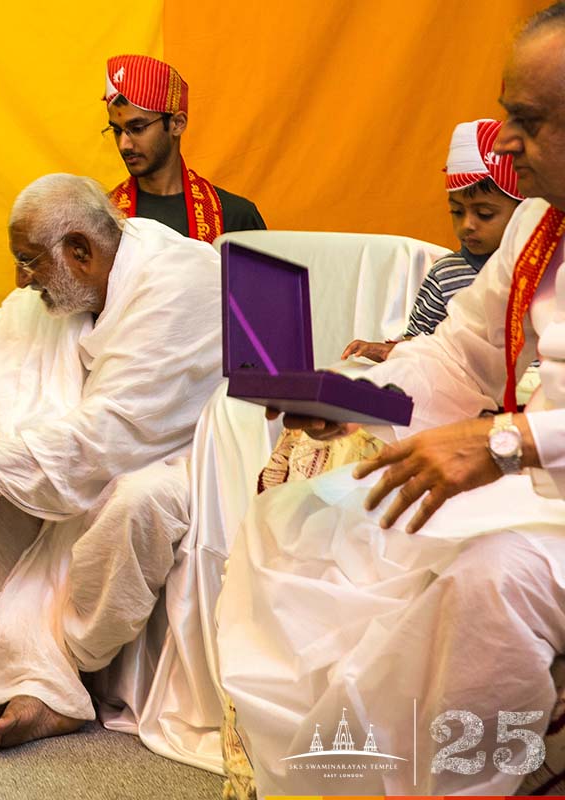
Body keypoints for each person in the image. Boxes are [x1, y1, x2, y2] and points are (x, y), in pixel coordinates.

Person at [217, 5, 565, 795]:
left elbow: (501, 432)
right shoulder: (536, 225)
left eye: (529, 121)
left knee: (491, 577)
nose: (505, 142)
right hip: (541, 492)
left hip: (537, 497)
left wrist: (504, 443)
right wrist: (350, 396)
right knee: (326, 515)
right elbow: (462, 351)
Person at [0, 173, 224, 750]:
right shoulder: (81, 279)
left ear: (80, 251)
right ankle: (39, 679)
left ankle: (58, 677)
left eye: (29, 262)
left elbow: (109, 434)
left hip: (194, 452)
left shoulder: (180, 283)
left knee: (132, 500)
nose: (20, 279)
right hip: (106, 445)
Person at [343, 118, 524, 362]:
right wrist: (390, 351)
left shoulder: (550, 269)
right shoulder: (445, 274)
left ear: (526, 210)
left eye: (484, 214)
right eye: (457, 212)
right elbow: (419, 345)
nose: (467, 224)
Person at [103, 54, 265, 243]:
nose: (124, 144)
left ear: (177, 124)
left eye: (137, 128)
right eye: (116, 130)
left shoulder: (234, 219)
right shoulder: (104, 220)